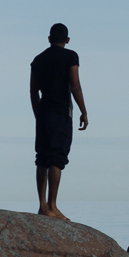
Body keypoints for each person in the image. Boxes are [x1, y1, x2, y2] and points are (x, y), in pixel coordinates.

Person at [30, 23, 88, 219]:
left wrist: (37, 113)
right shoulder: (71, 56)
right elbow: (75, 86)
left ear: (49, 38)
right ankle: (52, 206)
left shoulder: (38, 60)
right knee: (56, 157)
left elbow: (33, 90)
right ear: (67, 40)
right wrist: (83, 111)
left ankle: (42, 205)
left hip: (44, 111)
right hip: (61, 112)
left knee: (42, 157)